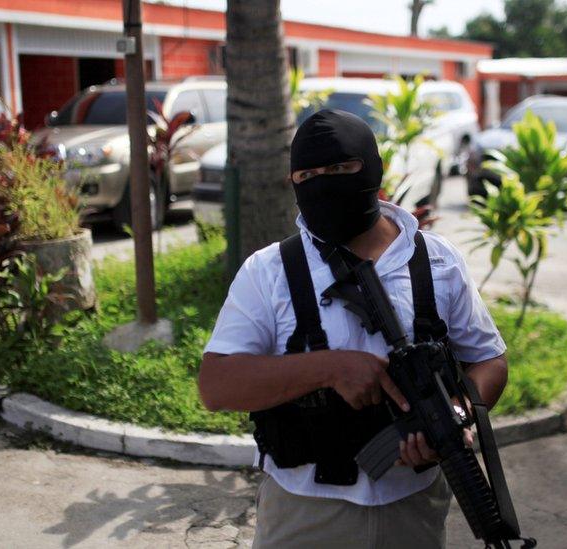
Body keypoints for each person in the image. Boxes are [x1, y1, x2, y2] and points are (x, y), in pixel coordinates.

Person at [198, 109, 508, 548]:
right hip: (305, 511)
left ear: (372, 169)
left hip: (413, 508)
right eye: (308, 174)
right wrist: (328, 368)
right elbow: (217, 386)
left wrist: (457, 415)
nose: (324, 182)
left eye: (341, 169)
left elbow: (489, 360)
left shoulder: (437, 261)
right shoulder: (268, 271)